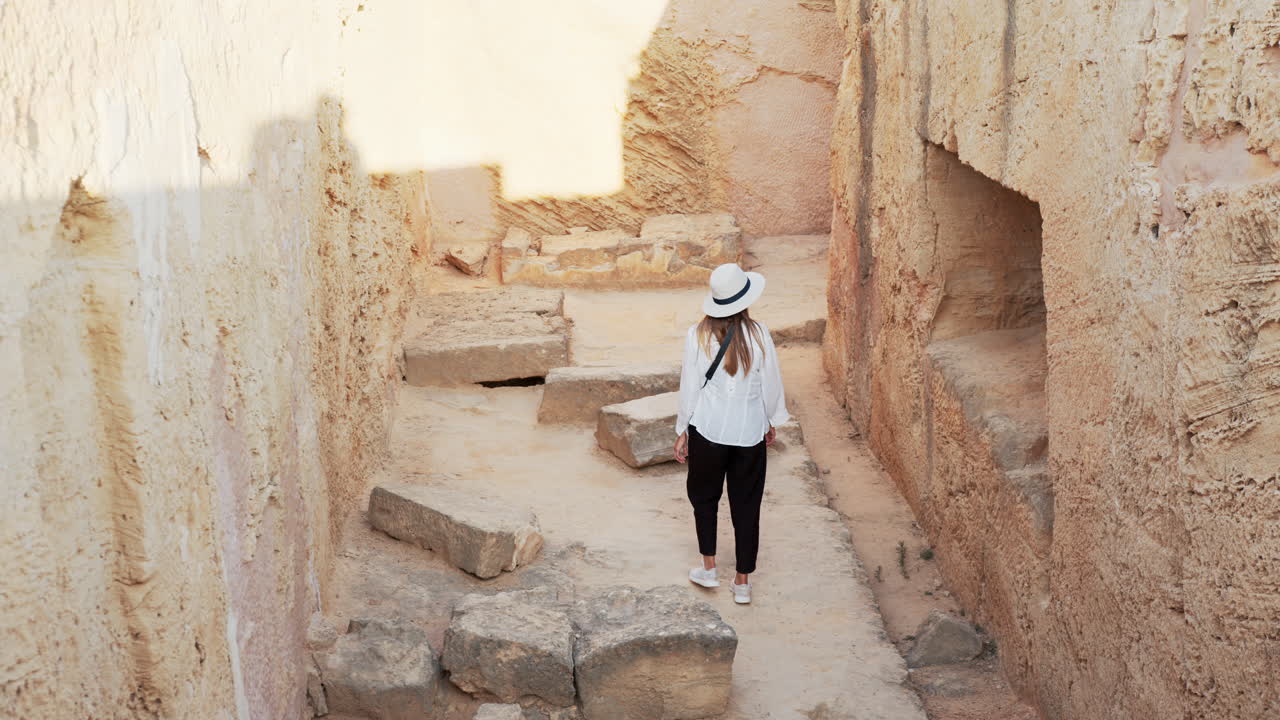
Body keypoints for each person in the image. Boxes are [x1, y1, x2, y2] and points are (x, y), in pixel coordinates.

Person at [674, 262, 788, 605]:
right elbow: (771, 384)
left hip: (708, 429)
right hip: (748, 433)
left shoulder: (696, 335)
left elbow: (690, 388)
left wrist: (683, 430)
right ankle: (742, 582)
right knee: (746, 506)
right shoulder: (760, 334)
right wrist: (771, 420)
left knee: (704, 499)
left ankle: (708, 569)